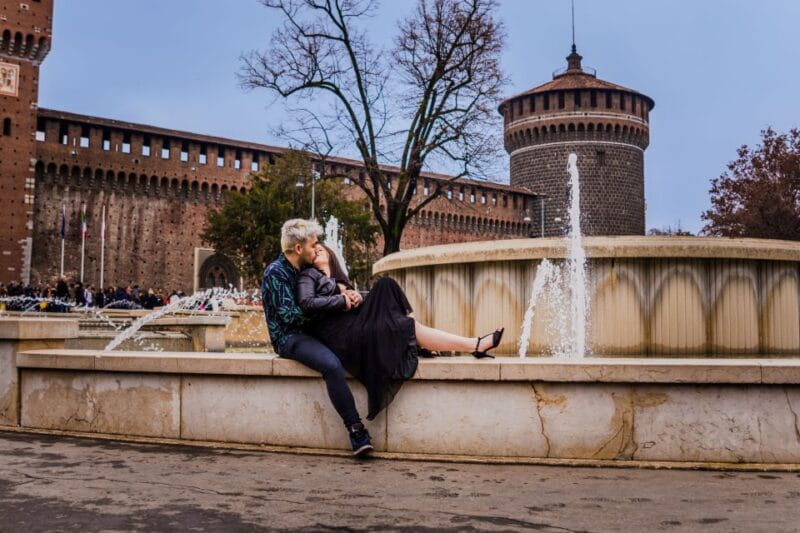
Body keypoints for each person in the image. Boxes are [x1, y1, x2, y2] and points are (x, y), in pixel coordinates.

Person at [297, 243, 504, 422]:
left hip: (356, 324)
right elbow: (307, 303)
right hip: (342, 335)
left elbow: (354, 305)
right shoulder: (308, 275)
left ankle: (418, 335)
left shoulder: (341, 278)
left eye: (321, 249)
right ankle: (474, 345)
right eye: (313, 251)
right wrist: (342, 299)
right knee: (406, 325)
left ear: (331, 254)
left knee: (386, 284)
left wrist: (356, 297)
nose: (317, 251)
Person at [261, 219, 373, 457]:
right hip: (290, 337)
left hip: (315, 329)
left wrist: (347, 296)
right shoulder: (275, 273)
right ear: (299, 249)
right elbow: (290, 316)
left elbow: (318, 300)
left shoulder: (303, 270)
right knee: (331, 365)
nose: (316, 249)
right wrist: (336, 303)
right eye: (313, 245)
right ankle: (356, 430)